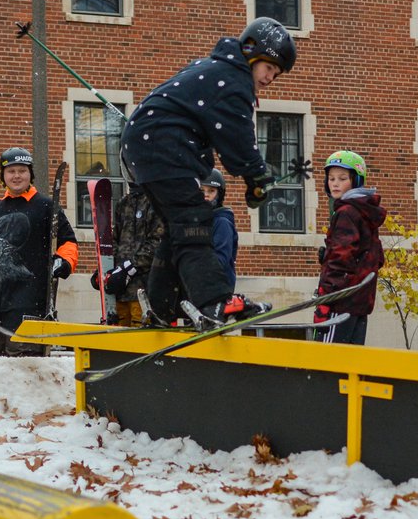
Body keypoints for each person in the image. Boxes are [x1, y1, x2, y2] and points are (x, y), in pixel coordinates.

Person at [121, 16, 294, 327]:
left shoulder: (213, 69)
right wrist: (257, 175)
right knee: (195, 220)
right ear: (252, 54)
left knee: (179, 226)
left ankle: (160, 305)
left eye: (276, 74)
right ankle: (216, 301)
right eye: (269, 68)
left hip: (147, 147)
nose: (270, 78)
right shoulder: (233, 80)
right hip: (163, 147)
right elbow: (236, 136)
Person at [0, 146, 78, 355]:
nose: (17, 175)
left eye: (22, 170)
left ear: (30, 174)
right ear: (3, 176)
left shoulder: (46, 207)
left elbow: (68, 242)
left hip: (30, 306)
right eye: (11, 171)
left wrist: (63, 262)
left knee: (24, 371)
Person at [314, 150, 385, 345]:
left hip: (340, 302)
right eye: (331, 178)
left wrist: (326, 298)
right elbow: (377, 258)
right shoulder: (365, 212)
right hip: (360, 303)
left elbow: (341, 259)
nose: (335, 183)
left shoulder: (346, 212)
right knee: (350, 366)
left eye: (342, 178)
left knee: (328, 363)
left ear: (356, 180)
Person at [93, 179, 164, 325]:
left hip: (144, 291)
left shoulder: (156, 203)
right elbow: (113, 240)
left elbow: (157, 243)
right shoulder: (123, 203)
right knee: (120, 339)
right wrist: (105, 269)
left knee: (139, 338)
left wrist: (128, 268)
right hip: (120, 292)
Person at [203, 168, 239, 290]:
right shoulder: (198, 221)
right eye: (202, 190)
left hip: (217, 289)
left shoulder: (222, 223)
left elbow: (220, 260)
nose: (206, 195)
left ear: (219, 194)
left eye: (211, 191)